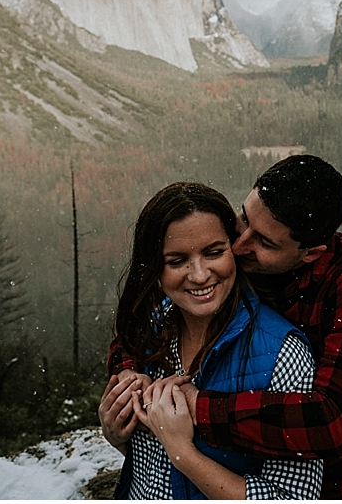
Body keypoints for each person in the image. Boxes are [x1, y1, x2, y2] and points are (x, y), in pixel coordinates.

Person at [107, 156, 342, 499]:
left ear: (310, 254)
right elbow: (142, 323)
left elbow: (331, 423)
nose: (239, 246)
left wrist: (197, 409)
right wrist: (126, 382)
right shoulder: (211, 265)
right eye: (244, 218)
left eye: (265, 243)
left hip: (331, 477)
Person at [98, 182, 322, 499]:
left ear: (235, 249)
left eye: (214, 253)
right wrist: (118, 434)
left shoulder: (283, 354)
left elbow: (294, 498)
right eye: (177, 261)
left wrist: (183, 453)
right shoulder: (151, 332)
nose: (200, 275)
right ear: (154, 270)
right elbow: (154, 473)